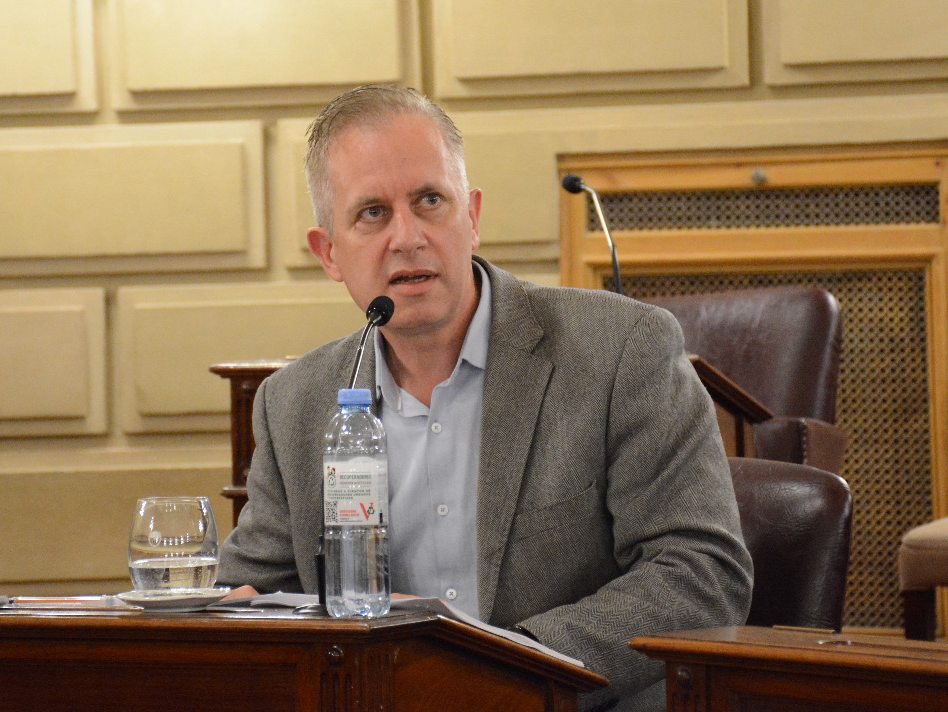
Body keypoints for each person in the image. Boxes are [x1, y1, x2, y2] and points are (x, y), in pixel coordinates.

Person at [218, 84, 753, 711]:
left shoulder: (621, 350)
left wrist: (506, 672)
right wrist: (229, 614)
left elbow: (700, 573)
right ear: (329, 253)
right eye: (372, 213)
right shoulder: (295, 404)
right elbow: (256, 589)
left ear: (471, 217)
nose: (408, 236)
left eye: (429, 201)